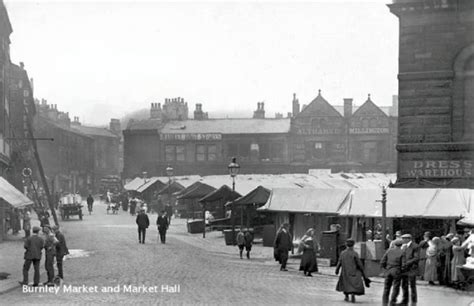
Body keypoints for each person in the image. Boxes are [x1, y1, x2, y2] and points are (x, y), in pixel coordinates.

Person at [335, 239, 366, 303]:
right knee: (353, 283)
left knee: (345, 283)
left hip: (345, 272)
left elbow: (339, 262)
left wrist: (337, 270)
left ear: (346, 245)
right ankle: (353, 294)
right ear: (353, 245)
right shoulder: (355, 253)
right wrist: (362, 270)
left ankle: (346, 296)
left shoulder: (343, 253)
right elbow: (359, 263)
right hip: (353, 271)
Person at [381, 239, 404, 306]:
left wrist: (386, 268)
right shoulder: (402, 252)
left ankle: (384, 303)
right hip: (397, 270)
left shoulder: (389, 251)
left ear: (394, 244)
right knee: (396, 287)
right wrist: (401, 270)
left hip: (388, 270)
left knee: (386, 287)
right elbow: (403, 264)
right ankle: (392, 302)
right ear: (401, 245)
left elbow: (382, 261)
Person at [400, 233, 419, 305]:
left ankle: (414, 301)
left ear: (408, 239)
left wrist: (407, 263)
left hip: (411, 268)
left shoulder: (415, 246)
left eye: (404, 239)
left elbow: (416, 258)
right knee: (404, 285)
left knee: (412, 285)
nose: (403, 240)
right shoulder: (403, 246)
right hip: (403, 269)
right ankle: (405, 300)